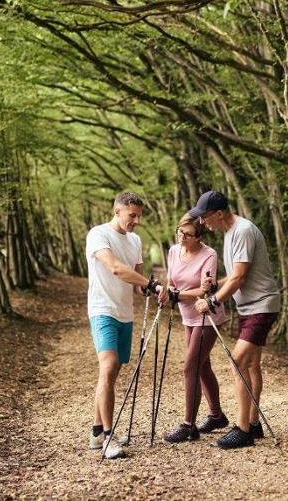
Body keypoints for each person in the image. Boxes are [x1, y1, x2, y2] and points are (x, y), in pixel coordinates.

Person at [191, 191, 280, 449]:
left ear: (219, 214)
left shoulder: (242, 231)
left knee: (238, 362)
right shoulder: (231, 233)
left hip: (261, 305)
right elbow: (235, 276)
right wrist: (216, 284)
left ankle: (242, 430)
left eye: (205, 218)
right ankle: (253, 423)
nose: (203, 224)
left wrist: (211, 301)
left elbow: (239, 277)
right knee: (251, 364)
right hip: (250, 306)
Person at [86, 192, 167, 459]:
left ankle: (97, 431)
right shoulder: (98, 234)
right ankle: (109, 437)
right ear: (117, 211)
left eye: (140, 216)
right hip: (103, 310)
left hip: (125, 314)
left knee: (111, 373)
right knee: (107, 367)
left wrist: (153, 290)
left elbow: (137, 283)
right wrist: (150, 284)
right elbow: (116, 269)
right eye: (132, 215)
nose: (137, 220)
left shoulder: (135, 240)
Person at [162, 213, 229, 443]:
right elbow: (171, 281)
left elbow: (204, 291)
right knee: (202, 366)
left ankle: (188, 426)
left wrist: (177, 295)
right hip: (187, 317)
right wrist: (169, 292)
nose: (182, 237)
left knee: (190, 366)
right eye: (180, 232)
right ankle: (217, 416)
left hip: (207, 316)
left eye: (188, 234)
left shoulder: (208, 254)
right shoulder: (173, 251)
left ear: (199, 236)